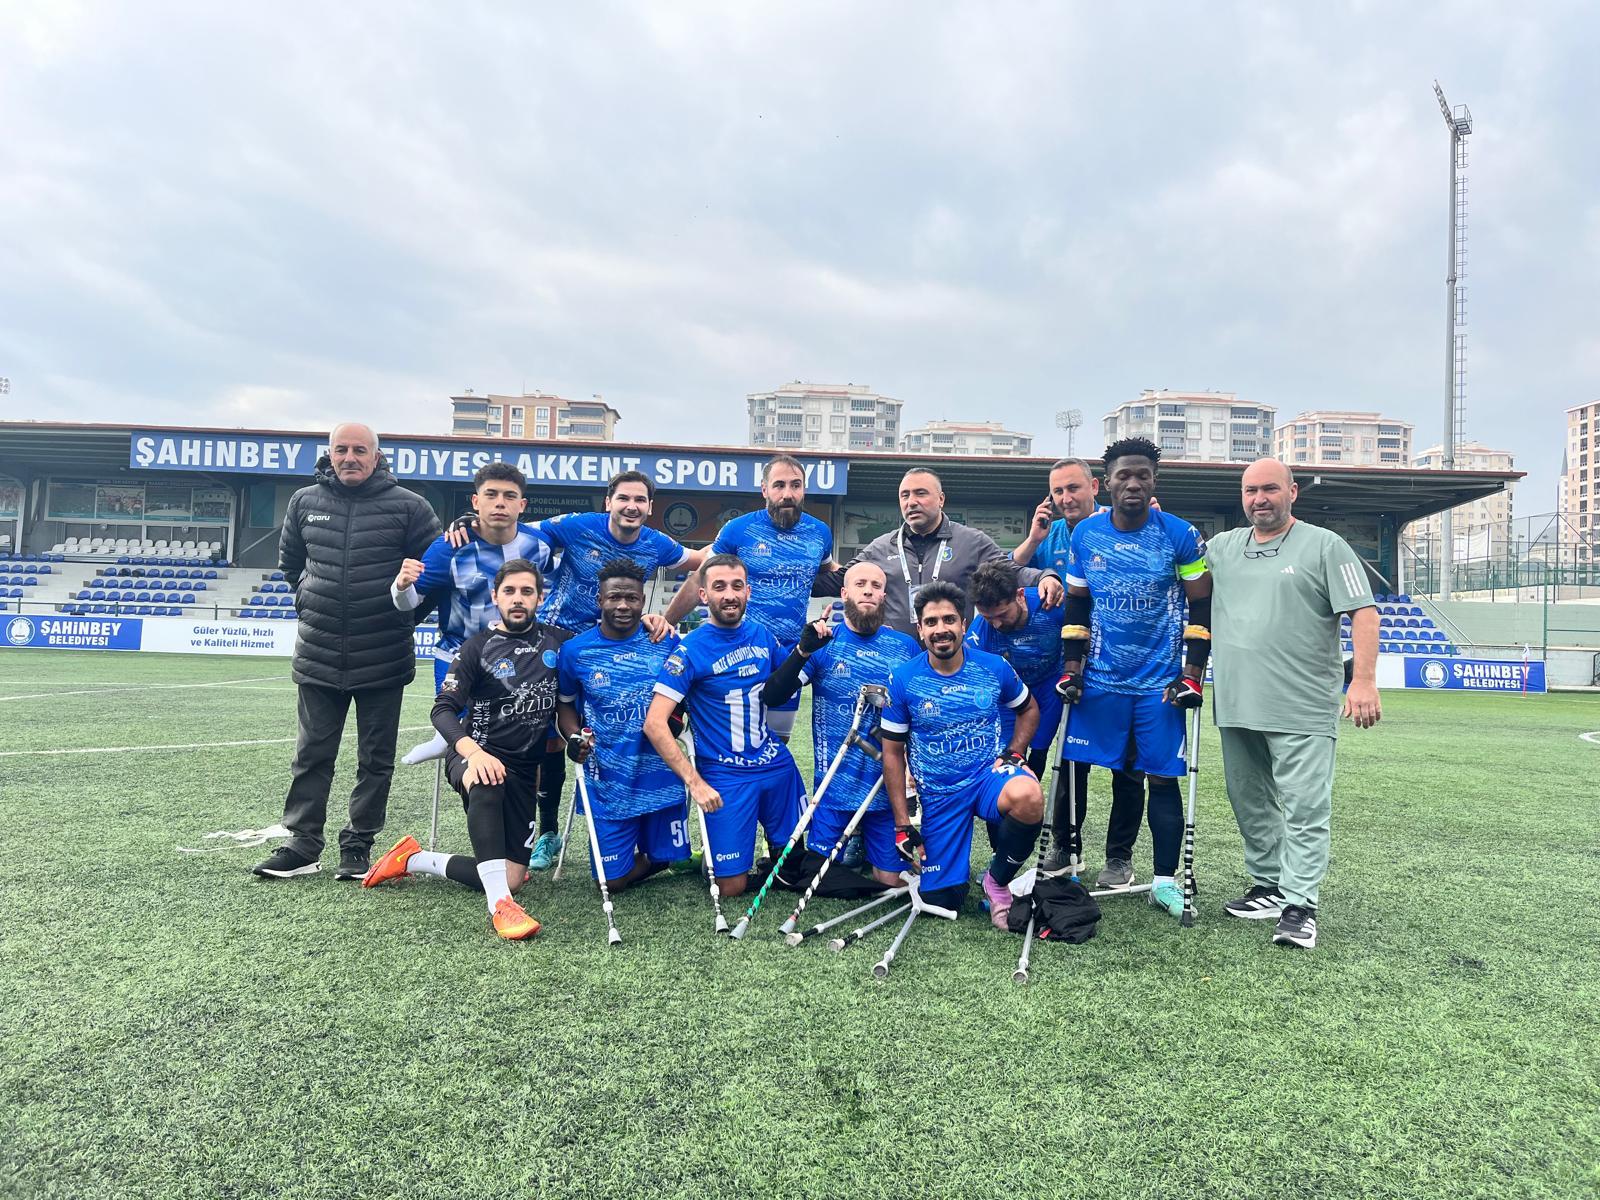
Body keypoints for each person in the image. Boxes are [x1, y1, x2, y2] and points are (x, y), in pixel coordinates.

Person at [451, 469, 699, 870]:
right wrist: (474, 523)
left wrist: (665, 618)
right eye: (623, 498)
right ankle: (546, 831)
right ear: (608, 502)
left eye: (640, 500)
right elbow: (517, 530)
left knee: (622, 724)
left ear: (650, 507)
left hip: (616, 642)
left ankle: (659, 835)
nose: (631, 506)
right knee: (547, 739)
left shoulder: (657, 543)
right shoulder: (578, 525)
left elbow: (706, 562)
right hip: (556, 644)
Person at [253, 422, 441, 882]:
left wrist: (404, 618)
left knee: (375, 759)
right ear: (329, 454)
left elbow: (433, 575)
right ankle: (303, 844)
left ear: (377, 456)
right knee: (311, 755)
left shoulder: (410, 506)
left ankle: (358, 843)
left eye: (360, 450)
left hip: (383, 654)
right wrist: (308, 602)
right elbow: (290, 565)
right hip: (318, 653)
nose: (350, 457)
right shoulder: (304, 501)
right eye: (341, 449)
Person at [1209, 458, 1381, 950]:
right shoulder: (1223, 547)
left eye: (1269, 489)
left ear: (1293, 492)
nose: (1259, 499)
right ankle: (1268, 884)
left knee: (1305, 807)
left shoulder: (1325, 545)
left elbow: (1364, 613)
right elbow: (1178, 561)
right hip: (1237, 703)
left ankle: (1301, 904)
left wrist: (1363, 680)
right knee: (1249, 800)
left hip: (1301, 704)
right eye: (1250, 491)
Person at [362, 559, 569, 940]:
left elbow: (605, 641)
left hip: (525, 771)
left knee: (513, 878)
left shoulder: (560, 642)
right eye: (509, 591)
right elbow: (442, 710)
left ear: (540, 597)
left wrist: (652, 624)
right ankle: (500, 907)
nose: (518, 599)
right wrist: (472, 752)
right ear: (495, 597)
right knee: (487, 779)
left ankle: (414, 858)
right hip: (474, 756)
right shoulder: (475, 649)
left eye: (527, 591)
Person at [1056, 437, 1213, 921]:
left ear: (1154, 481)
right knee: (1075, 769)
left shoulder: (1181, 534)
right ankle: (1067, 860)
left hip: (1158, 683)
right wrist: (1072, 668)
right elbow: (1077, 604)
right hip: (1100, 679)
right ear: (1106, 483)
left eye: (1142, 475)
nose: (1133, 483)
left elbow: (1201, 604)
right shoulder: (1085, 535)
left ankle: (1164, 881)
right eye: (1124, 475)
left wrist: (1192, 675)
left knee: (1161, 779)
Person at [878, 580, 1045, 930]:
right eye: (931, 622)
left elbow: (1029, 708)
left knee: (1028, 796)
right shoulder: (903, 679)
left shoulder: (993, 667)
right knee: (942, 899)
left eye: (949, 620)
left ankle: (996, 881)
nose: (941, 629)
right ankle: (950, 873)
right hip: (939, 794)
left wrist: (1015, 753)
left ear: (963, 624)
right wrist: (902, 825)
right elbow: (891, 753)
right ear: (920, 629)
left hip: (987, 778)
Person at [1011, 457, 1147, 885]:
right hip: (1070, 666)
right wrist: (1039, 555)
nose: (1066, 498)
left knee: (1128, 766)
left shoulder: (1122, 524)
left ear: (1095, 487)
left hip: (1122, 666)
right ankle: (1066, 849)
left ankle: (1119, 858)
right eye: (1058, 491)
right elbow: (1009, 572)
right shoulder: (1050, 534)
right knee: (1071, 762)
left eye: (1073, 488)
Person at [643, 554, 804, 899]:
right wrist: (696, 783)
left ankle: (765, 852)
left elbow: (791, 676)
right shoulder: (690, 650)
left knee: (794, 866)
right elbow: (654, 723)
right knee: (730, 887)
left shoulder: (762, 635)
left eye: (736, 586)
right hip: (725, 773)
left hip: (775, 765)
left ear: (748, 591)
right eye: (719, 587)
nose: (729, 595)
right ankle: (715, 858)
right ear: (703, 595)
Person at [760, 561, 921, 889]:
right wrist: (802, 651)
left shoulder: (905, 647)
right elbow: (774, 696)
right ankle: (854, 849)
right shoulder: (825, 644)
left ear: (884, 596)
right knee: (817, 878)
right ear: (844, 593)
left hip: (884, 791)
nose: (868, 591)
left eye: (876, 586)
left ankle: (864, 848)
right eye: (860, 584)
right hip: (833, 790)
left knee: (892, 882)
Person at [661, 454, 840, 741]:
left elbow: (832, 573)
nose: (787, 494)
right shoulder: (739, 530)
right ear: (764, 490)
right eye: (779, 485)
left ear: (804, 489)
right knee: (726, 735)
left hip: (789, 655)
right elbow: (700, 577)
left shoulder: (819, 533)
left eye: (795, 485)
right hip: (739, 649)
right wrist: (666, 621)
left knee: (778, 739)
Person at [391, 462, 555, 758]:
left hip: (520, 658)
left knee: (519, 742)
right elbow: (409, 602)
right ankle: (444, 739)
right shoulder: (449, 547)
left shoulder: (540, 546)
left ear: (522, 505)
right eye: (491, 494)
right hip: (459, 655)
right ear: (476, 501)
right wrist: (401, 585)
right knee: (461, 739)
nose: (500, 503)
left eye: (509, 495)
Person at [556, 560, 690, 890]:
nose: (623, 605)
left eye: (631, 598)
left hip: (660, 774)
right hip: (608, 780)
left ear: (642, 600)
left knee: (667, 856)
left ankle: (658, 854)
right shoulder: (575, 651)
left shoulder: (664, 641)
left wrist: (676, 720)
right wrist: (574, 737)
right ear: (600, 600)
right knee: (610, 882)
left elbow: (683, 698)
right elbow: (565, 706)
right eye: (614, 597)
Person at [815, 468, 1063, 636]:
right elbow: (839, 579)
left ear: (941, 499)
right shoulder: (881, 546)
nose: (911, 502)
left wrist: (1044, 577)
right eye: (904, 495)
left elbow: (1009, 572)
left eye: (920, 493)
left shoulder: (971, 541)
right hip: (898, 659)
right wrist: (796, 581)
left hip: (951, 658)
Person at [967, 558, 1067, 779]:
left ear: (1020, 595)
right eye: (988, 618)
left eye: (1002, 614)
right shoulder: (979, 632)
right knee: (1008, 753)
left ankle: (1033, 789)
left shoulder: (1050, 607)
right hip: (1009, 693)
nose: (996, 624)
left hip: (1048, 686)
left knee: (1040, 748)